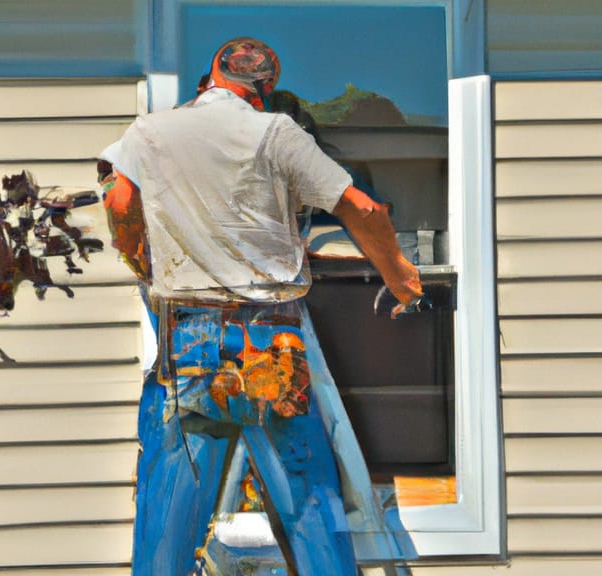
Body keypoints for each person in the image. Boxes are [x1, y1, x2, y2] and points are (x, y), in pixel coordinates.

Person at [100, 37, 423, 575]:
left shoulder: (151, 132)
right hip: (269, 340)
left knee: (167, 517)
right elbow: (362, 208)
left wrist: (143, 262)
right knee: (308, 506)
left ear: (207, 79)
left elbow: (120, 202)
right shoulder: (276, 132)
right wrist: (400, 278)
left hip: (187, 341)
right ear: (263, 90)